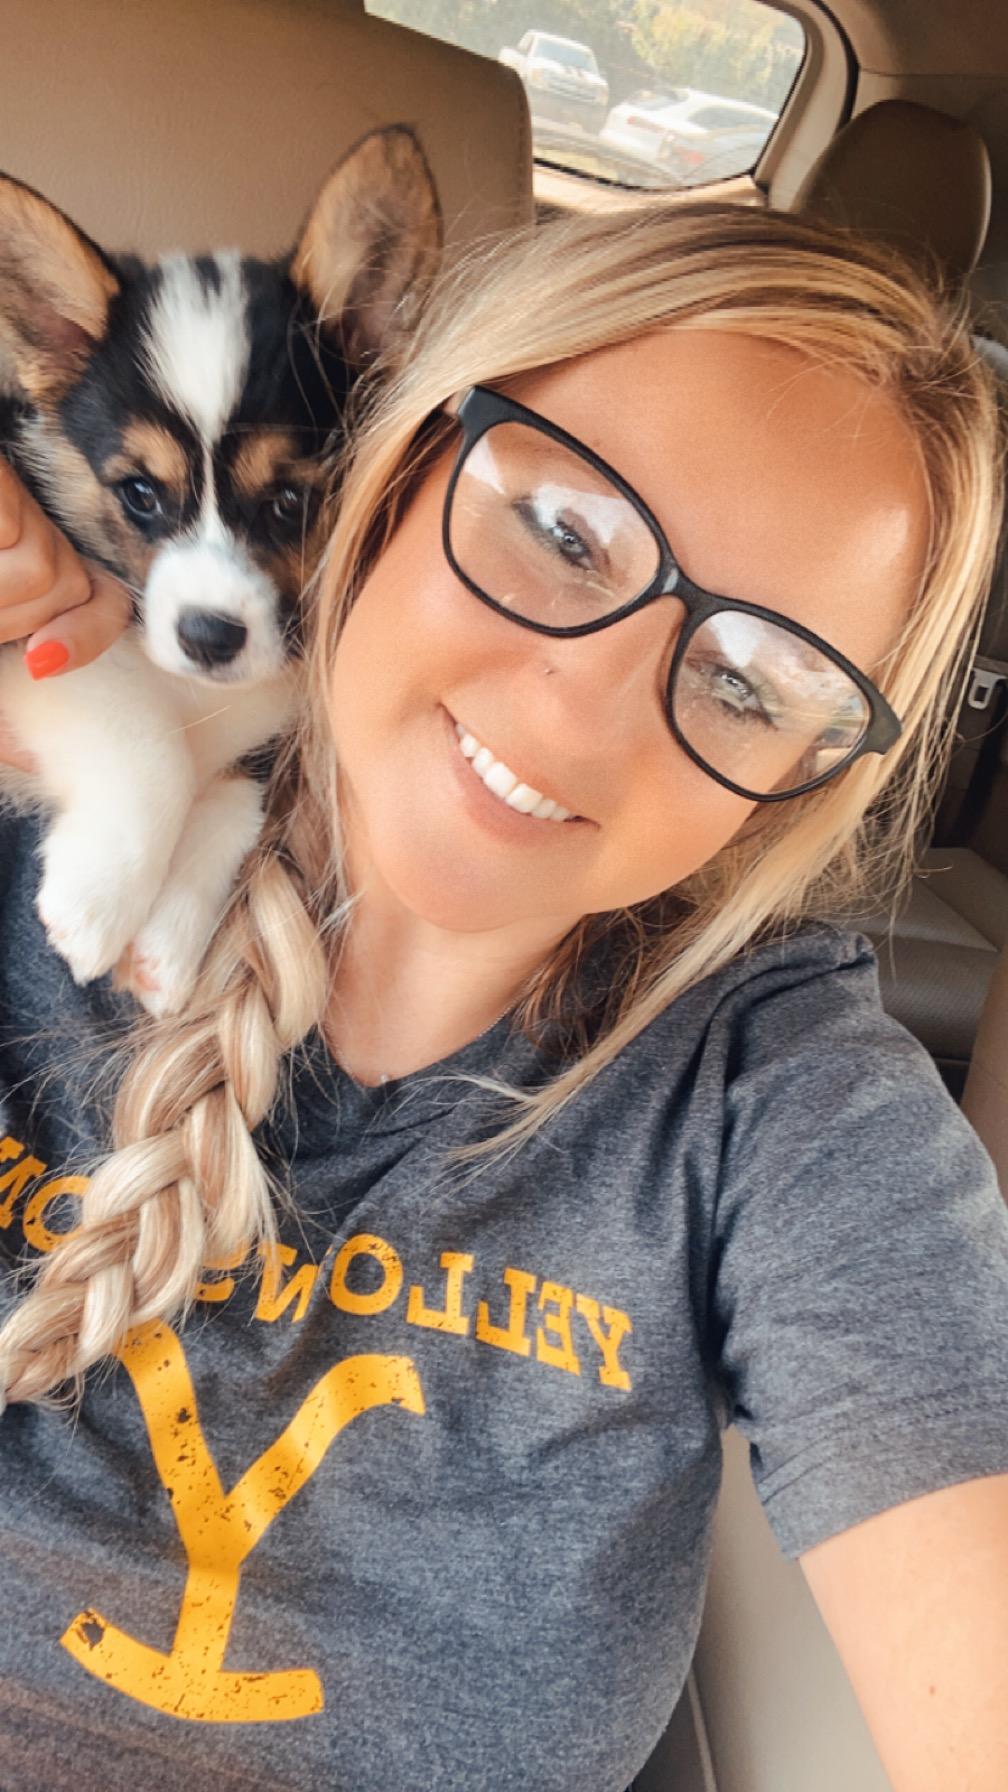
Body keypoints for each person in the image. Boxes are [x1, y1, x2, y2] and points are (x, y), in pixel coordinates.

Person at [0, 201, 1006, 1792]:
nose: (586, 710)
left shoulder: (780, 1102)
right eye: (563, 533)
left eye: (748, 681)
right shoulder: (43, 824)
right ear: (395, 458)